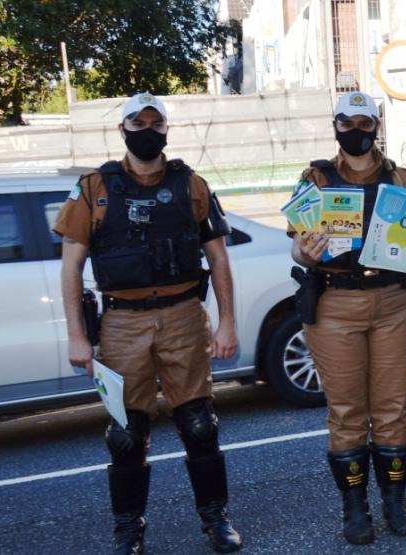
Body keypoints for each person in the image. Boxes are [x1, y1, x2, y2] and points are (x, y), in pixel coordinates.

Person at [55, 93, 243, 553]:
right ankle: (128, 530)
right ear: (123, 130)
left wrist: (227, 324)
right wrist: (77, 336)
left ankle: (215, 520)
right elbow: (70, 266)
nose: (147, 130)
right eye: (137, 123)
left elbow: (218, 259)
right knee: (125, 434)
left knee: (199, 425)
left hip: (183, 317)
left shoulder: (190, 185)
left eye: (155, 123)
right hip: (122, 324)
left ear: (166, 130)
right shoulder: (94, 188)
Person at [290, 91, 406, 545]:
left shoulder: (402, 179)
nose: (356, 131)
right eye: (346, 123)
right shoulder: (316, 179)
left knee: (392, 410)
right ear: (335, 126)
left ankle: (396, 503)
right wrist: (305, 251)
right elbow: (297, 242)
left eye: (364, 123)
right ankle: (355, 510)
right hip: (335, 305)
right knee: (347, 413)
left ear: (377, 126)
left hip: (393, 300)